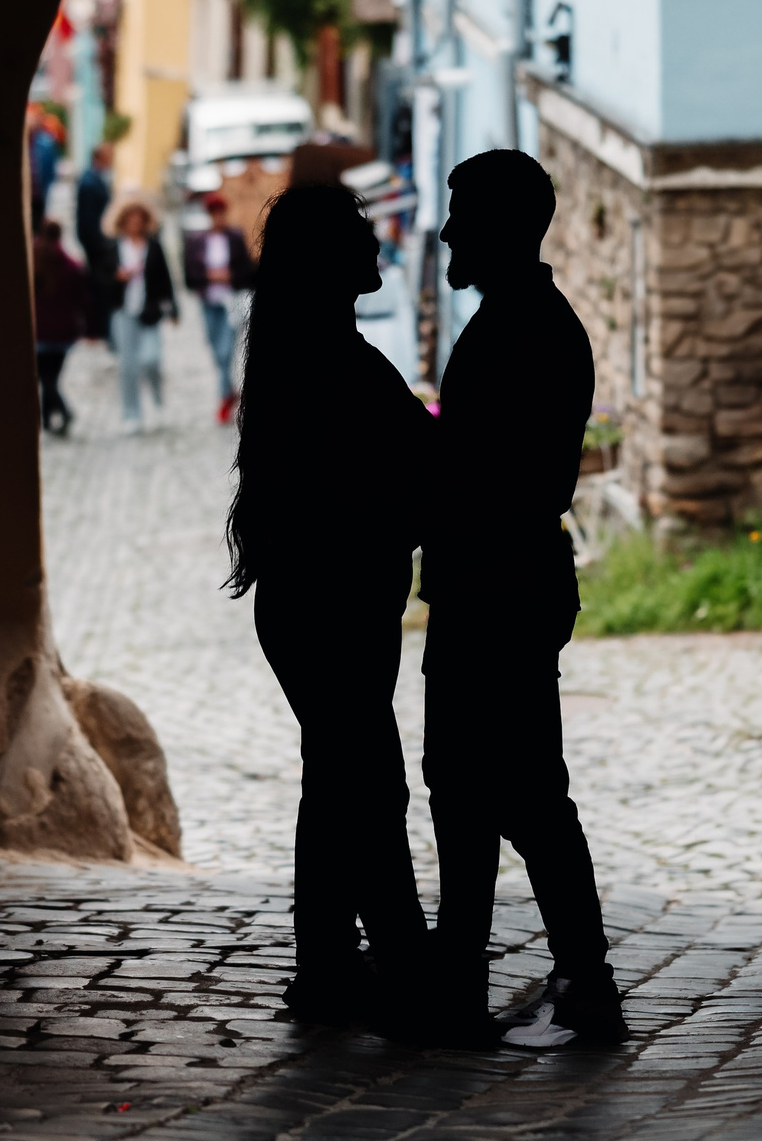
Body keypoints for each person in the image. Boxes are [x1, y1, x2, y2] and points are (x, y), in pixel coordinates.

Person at [418, 148, 625, 1050]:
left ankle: (552, 977)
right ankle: (537, 971)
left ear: (502, 226)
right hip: (496, 580)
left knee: (503, 791)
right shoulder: (517, 320)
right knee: (486, 787)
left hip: (495, 585)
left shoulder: (525, 330)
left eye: (462, 214)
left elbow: (503, 477)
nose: (448, 229)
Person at [223, 185, 430, 1022]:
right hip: (331, 602)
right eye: (358, 237)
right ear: (327, 260)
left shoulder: (313, 349)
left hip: (319, 599)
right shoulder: (328, 361)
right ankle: (396, 963)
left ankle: (331, 963)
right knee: (366, 781)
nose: (376, 247)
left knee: (341, 776)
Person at [104, 195, 177, 431]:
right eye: (130, 219)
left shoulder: (153, 246)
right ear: (122, 221)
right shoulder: (114, 248)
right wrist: (118, 278)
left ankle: (157, 397)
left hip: (149, 312)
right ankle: (131, 414)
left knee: (151, 358)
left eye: (139, 219)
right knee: (127, 366)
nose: (135, 223)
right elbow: (101, 281)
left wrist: (173, 307)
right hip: (123, 312)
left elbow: (165, 279)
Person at [182, 193, 256, 423]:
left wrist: (229, 277)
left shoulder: (234, 237)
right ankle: (229, 390)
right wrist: (209, 277)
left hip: (230, 301)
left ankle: (224, 397)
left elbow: (247, 270)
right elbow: (189, 275)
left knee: (226, 350)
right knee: (216, 349)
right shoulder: (197, 241)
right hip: (209, 302)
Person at [31, 218, 85, 435]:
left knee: (47, 378)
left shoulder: (34, 264)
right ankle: (50, 417)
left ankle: (56, 414)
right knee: (50, 377)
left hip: (41, 332)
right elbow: (81, 298)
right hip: (63, 332)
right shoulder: (70, 266)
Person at [76, 140, 118, 348]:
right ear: (100, 157)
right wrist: (99, 246)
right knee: (99, 287)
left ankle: (101, 328)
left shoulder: (95, 179)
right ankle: (99, 329)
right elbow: (88, 221)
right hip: (96, 245)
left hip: (99, 244)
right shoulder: (90, 182)